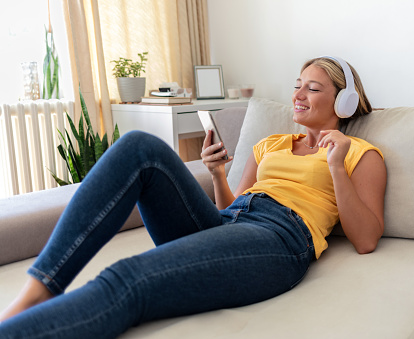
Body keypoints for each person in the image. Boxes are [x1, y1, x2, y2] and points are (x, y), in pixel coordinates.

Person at [0, 56, 386, 338]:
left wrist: (336, 166)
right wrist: (218, 173)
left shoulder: (359, 153)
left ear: (344, 102)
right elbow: (229, 211)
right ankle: (38, 291)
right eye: (297, 84)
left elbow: (366, 240)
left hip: (280, 238)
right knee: (138, 146)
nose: (298, 94)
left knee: (128, 276)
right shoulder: (272, 144)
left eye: (313, 88)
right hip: (232, 224)